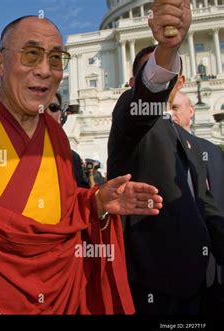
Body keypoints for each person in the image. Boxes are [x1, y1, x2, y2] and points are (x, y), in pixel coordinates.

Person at [0, 15, 164, 314]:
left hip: (58, 297)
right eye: (31, 55)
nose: (45, 70)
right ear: (0, 63)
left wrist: (97, 201)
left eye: (56, 59)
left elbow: (62, 210)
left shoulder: (56, 135)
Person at [107, 0, 224, 314]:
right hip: (157, 287)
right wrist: (167, 49)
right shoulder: (131, 120)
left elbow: (208, 207)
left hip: (206, 285)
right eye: (150, 71)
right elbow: (147, 93)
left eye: (168, 73)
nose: (160, 81)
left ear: (181, 82)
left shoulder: (192, 142)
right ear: (133, 83)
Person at [171, 91, 224, 314]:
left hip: (217, 266)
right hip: (180, 269)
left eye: (175, 108)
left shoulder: (213, 151)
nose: (170, 114)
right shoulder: (162, 154)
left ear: (190, 111)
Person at [46, 92, 89, 188]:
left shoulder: (72, 157)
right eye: (42, 107)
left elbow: (81, 193)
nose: (47, 113)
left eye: (53, 107)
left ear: (60, 115)